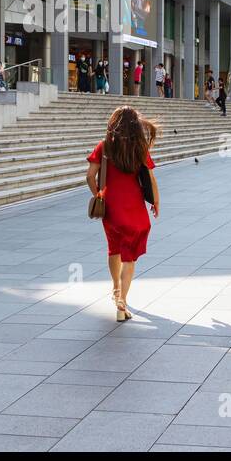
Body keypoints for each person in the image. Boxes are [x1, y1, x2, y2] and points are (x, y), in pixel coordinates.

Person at [86, 106, 159, 323]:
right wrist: (156, 202)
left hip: (110, 206)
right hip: (134, 207)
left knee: (113, 248)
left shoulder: (104, 146)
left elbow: (90, 176)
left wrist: (99, 194)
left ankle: (115, 288)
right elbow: (151, 179)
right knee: (129, 256)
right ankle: (122, 301)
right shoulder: (140, 148)